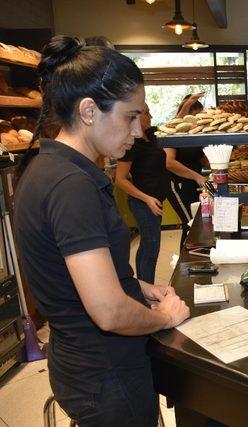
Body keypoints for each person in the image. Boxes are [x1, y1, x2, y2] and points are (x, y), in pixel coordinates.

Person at [13, 35, 190, 425]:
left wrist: (138, 287)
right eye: (130, 116)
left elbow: (70, 275)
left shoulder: (45, 168)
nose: (138, 131)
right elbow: (108, 311)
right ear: (89, 111)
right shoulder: (71, 186)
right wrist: (165, 317)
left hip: (79, 367)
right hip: (107, 377)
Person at [115, 103, 168, 283]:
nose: (150, 116)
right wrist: (147, 199)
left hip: (156, 200)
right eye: (146, 113)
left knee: (149, 246)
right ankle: (147, 290)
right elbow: (120, 179)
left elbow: (174, 124)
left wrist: (187, 105)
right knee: (150, 247)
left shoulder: (152, 136)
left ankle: (145, 287)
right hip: (143, 203)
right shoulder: (131, 144)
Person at [164, 93, 209, 248]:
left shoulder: (195, 134)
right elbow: (169, 163)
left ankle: (197, 257)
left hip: (194, 183)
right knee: (191, 224)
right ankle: (186, 266)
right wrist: (197, 176)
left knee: (198, 222)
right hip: (177, 184)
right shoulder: (174, 131)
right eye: (195, 116)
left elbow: (201, 158)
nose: (198, 120)